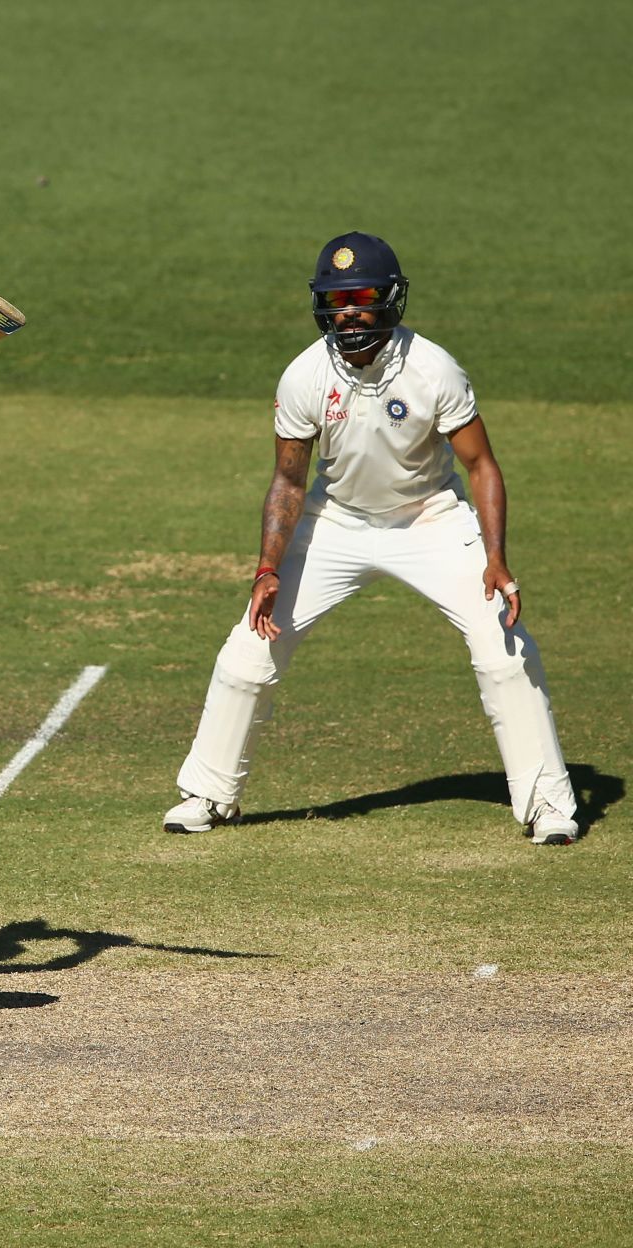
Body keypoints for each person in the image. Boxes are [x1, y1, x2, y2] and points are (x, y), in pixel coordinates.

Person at [162, 233, 578, 844]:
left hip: (430, 520)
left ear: (389, 299)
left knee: (505, 649)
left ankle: (547, 804)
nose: (347, 312)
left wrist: (495, 559)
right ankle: (208, 795)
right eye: (335, 300)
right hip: (335, 523)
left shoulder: (433, 369)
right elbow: (286, 480)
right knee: (248, 652)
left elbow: (481, 466)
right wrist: (267, 569)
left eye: (359, 296)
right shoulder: (305, 375)